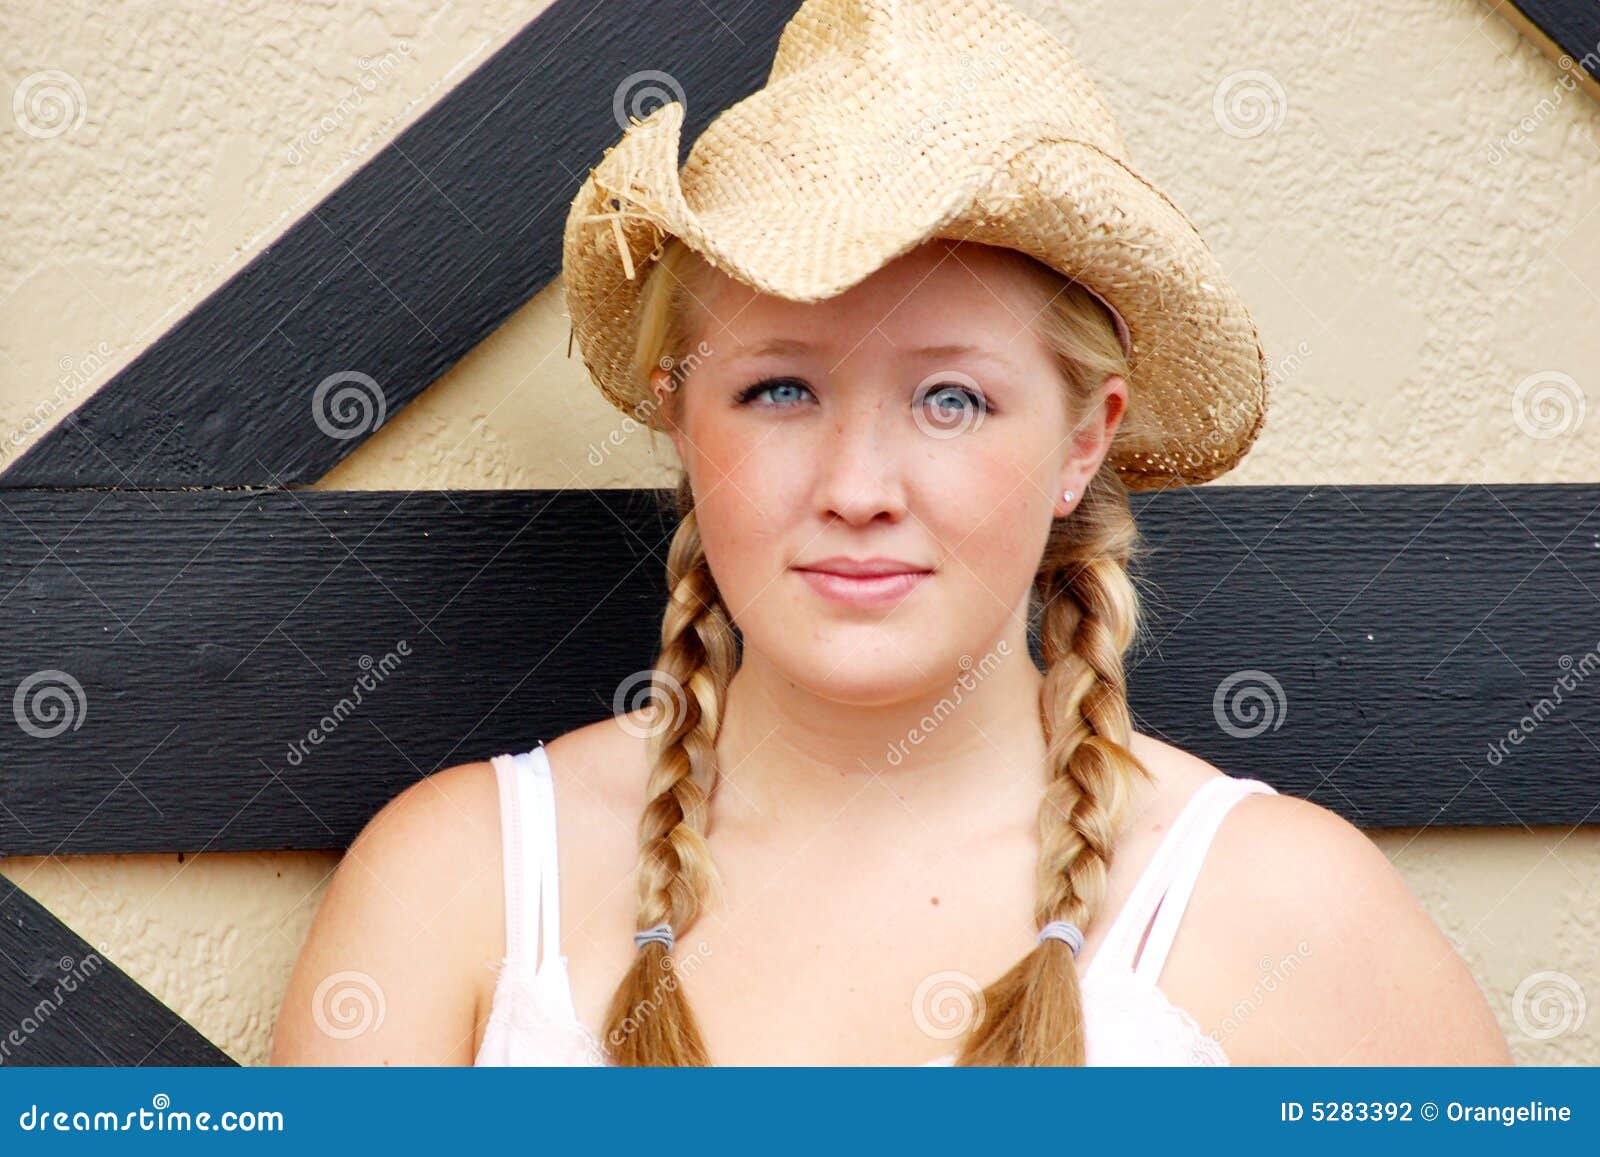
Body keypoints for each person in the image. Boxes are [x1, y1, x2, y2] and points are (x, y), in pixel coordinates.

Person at [271, 0, 1511, 1067]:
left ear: (1084, 440)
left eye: (952, 398)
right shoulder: (461, 881)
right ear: (680, 417)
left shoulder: (1289, 909)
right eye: (779, 390)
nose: (859, 485)